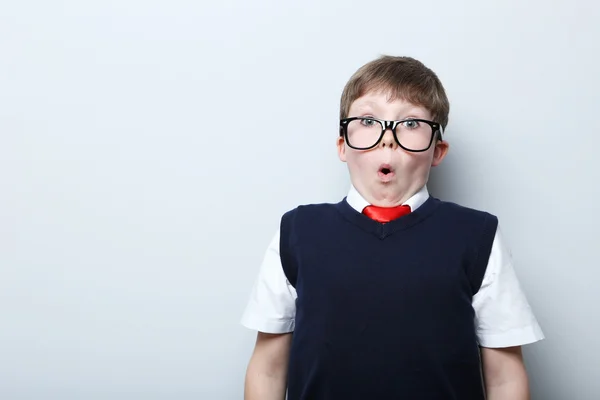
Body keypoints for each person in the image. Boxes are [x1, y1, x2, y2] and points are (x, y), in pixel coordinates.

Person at [240, 55, 544, 400]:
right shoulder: (296, 231)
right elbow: (267, 368)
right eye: (368, 120)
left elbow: (504, 375)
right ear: (343, 145)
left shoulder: (477, 236)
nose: (388, 138)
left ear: (437, 150)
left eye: (411, 124)